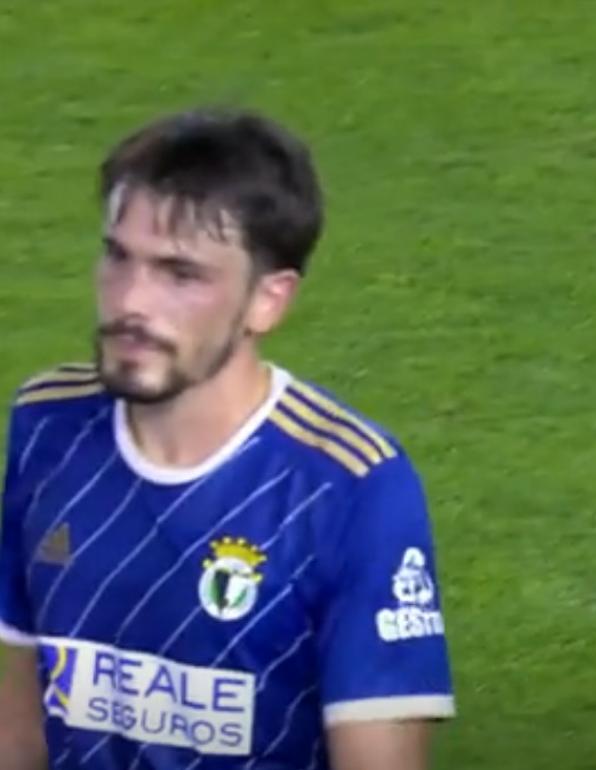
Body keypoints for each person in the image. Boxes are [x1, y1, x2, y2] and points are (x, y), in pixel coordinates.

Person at [0, 108, 454, 769]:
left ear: (268, 300)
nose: (130, 302)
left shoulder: (347, 485)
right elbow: (16, 730)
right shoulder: (50, 425)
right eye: (118, 257)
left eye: (180, 274)